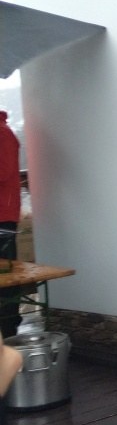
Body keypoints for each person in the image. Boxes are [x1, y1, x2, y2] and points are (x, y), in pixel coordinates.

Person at [0, 109, 21, 339]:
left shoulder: (3, 133)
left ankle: (8, 324)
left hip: (3, 214)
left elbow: (4, 172)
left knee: (7, 272)